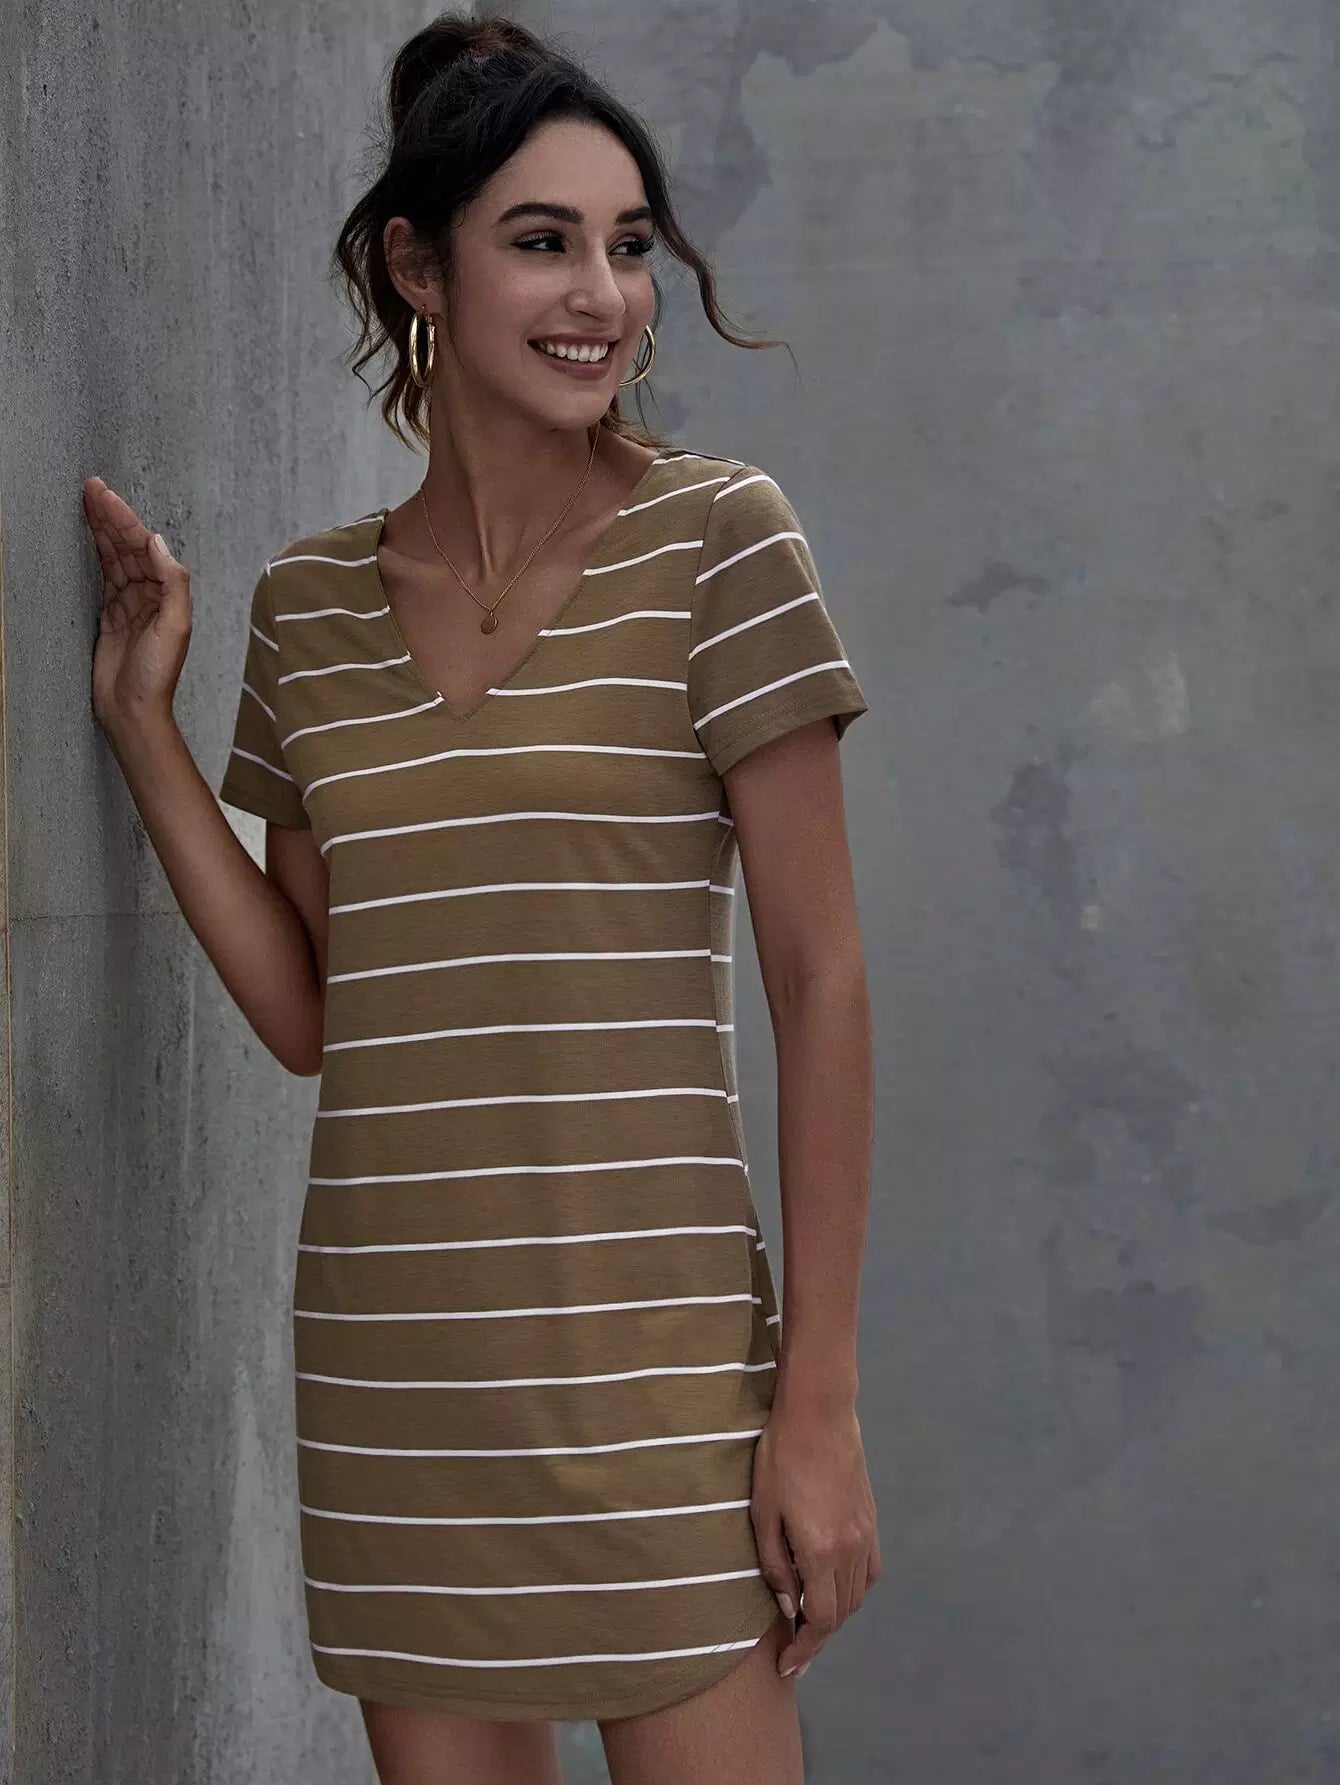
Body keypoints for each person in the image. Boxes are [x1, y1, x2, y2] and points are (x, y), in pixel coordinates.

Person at [81, 13, 879, 1783]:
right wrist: (145, 731)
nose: (602, 293)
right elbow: (314, 1012)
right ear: (415, 267)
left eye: (627, 244)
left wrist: (815, 1402)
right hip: (402, 1386)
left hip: (660, 1382)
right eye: (542, 240)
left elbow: (820, 980)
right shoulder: (305, 610)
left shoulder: (723, 546)